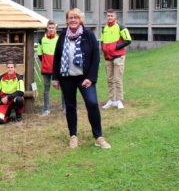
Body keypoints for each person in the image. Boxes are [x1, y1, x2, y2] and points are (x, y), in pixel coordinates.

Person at [52, 8, 111, 149]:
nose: (73, 20)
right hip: (67, 78)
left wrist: (91, 78)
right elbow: (57, 57)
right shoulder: (62, 36)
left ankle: (99, 137)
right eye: (70, 17)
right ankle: (73, 136)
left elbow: (96, 57)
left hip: (85, 78)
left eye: (76, 17)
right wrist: (55, 77)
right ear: (67, 20)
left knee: (92, 103)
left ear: (80, 20)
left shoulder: (88, 35)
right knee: (70, 107)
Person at [101, 9, 132, 109]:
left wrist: (115, 47)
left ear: (115, 17)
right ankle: (111, 100)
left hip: (118, 56)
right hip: (108, 57)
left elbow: (128, 40)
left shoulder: (121, 27)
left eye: (111, 16)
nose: (109, 17)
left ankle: (119, 100)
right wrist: (103, 48)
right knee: (109, 79)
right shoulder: (104, 28)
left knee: (117, 79)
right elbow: (102, 40)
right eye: (108, 15)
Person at [37, 20, 64, 116]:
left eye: (53, 28)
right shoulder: (42, 40)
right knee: (46, 89)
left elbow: (62, 53)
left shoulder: (59, 39)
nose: (51, 29)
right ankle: (46, 109)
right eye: (50, 27)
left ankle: (65, 108)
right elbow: (39, 54)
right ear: (47, 28)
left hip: (58, 69)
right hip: (46, 69)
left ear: (55, 29)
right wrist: (45, 62)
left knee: (62, 88)